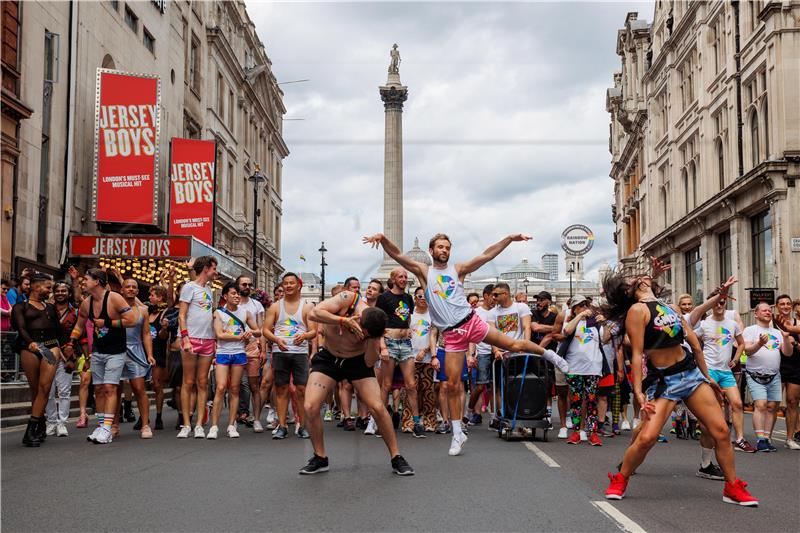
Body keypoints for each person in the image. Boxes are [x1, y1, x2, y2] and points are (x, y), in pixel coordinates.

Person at [363, 232, 569, 456]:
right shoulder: (424, 271)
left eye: (447, 247)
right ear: (431, 251)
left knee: (515, 345)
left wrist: (509, 239)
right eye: (440, 247)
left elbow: (487, 255)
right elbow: (398, 255)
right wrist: (383, 239)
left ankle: (552, 357)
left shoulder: (457, 269)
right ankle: (457, 433)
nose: (444, 250)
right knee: (452, 385)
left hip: (471, 322)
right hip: (452, 334)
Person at [602, 270, 758, 506]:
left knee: (721, 432)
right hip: (665, 381)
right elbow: (636, 354)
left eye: (643, 277)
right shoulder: (638, 310)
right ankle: (620, 478)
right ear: (630, 291)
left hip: (691, 375)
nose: (642, 279)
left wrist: (708, 378)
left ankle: (732, 487)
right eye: (636, 280)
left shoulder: (671, 308)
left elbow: (695, 345)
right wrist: (638, 392)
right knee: (647, 438)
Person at [299, 290, 414, 476]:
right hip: (329, 357)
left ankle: (396, 457)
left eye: (367, 334)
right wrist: (343, 321)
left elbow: (369, 362)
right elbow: (314, 314)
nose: (362, 333)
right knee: (310, 406)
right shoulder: (348, 300)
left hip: (356, 361)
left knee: (377, 406)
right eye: (363, 329)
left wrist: (371, 340)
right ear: (360, 317)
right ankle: (320, 457)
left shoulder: (374, 332)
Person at [69, 269, 138, 444]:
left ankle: (108, 428)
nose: (84, 282)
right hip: (97, 351)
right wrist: (71, 342)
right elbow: (79, 324)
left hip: (116, 351)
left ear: (97, 281)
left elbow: (132, 320)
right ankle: (101, 426)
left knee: (110, 387)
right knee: (98, 389)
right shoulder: (87, 304)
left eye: (87, 279)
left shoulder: (114, 298)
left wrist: (108, 322)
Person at [694, 298, 755, 454]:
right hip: (710, 371)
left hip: (726, 372)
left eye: (722, 303)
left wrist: (735, 359)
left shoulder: (732, 324)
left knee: (737, 404)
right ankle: (717, 437)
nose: (719, 305)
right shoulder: (704, 324)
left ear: (725, 305)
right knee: (716, 406)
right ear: (711, 306)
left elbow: (741, 343)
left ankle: (739, 439)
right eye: (716, 303)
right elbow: (693, 343)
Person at [262, 273, 317, 439]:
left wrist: (305, 336)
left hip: (299, 353)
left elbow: (314, 331)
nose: (288, 286)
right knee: (281, 389)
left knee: (301, 390)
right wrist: (276, 339)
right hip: (281, 352)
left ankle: (302, 425)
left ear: (298, 285)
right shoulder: (275, 307)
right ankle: (282, 426)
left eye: (291, 283)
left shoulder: (307, 307)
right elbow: (265, 330)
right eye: (285, 283)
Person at [376, 267, 426, 438]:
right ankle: (381, 423)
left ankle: (417, 422)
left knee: (411, 385)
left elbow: (408, 317)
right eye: (400, 276)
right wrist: (382, 345)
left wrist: (407, 330)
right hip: (389, 343)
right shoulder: (384, 298)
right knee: (387, 385)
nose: (404, 279)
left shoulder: (408, 298)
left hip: (405, 343)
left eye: (405, 276)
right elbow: (379, 323)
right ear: (393, 279)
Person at [13, 274, 62, 446]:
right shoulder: (20, 306)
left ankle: (30, 430)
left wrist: (67, 350)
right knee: (35, 390)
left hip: (50, 347)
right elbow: (20, 328)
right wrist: (30, 343)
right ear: (35, 287)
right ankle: (40, 424)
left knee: (45, 388)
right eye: (48, 287)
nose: (50, 291)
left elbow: (58, 331)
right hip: (29, 347)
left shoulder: (50, 308)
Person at [208, 283, 262, 439]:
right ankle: (214, 426)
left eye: (238, 294)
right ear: (225, 296)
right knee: (220, 387)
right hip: (223, 353)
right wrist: (239, 337)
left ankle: (231, 425)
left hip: (239, 353)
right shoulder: (219, 312)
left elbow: (258, 331)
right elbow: (219, 334)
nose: (237, 296)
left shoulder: (245, 313)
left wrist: (249, 332)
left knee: (235, 389)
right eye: (233, 293)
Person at [742, 301, 795, 452]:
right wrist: (759, 343)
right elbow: (747, 351)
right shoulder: (750, 330)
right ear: (756, 314)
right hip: (755, 374)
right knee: (760, 405)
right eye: (764, 310)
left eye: (769, 311)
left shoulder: (777, 332)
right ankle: (760, 439)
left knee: (772, 407)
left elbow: (788, 353)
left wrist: (785, 337)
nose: (767, 312)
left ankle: (767, 438)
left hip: (774, 375)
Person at [177, 256, 218, 439]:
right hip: (191, 338)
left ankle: (199, 424)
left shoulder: (209, 289)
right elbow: (181, 315)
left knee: (202, 383)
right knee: (188, 382)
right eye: (214, 268)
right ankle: (186, 424)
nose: (216, 272)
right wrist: (185, 338)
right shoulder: (188, 287)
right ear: (206, 269)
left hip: (208, 340)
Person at [561, 295, 605, 446]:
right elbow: (566, 331)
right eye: (580, 306)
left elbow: (605, 339)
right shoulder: (571, 321)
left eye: (586, 305)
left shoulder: (595, 323)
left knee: (592, 400)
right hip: (574, 367)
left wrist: (604, 323)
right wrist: (579, 316)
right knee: (576, 401)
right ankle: (576, 432)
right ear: (573, 309)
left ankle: (592, 433)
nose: (584, 308)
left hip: (593, 367)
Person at [119, 278, 156, 439]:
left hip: (136, 349)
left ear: (137, 291)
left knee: (139, 389)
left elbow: (146, 333)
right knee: (114, 389)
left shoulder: (143, 310)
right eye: (127, 286)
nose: (131, 289)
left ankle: (145, 424)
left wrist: (149, 354)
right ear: (122, 290)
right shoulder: (114, 308)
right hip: (117, 350)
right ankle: (113, 425)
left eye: (134, 287)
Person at [400, 287, 439, 432]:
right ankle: (408, 421)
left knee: (428, 390)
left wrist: (425, 351)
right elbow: (403, 332)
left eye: (425, 296)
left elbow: (434, 336)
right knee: (410, 389)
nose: (422, 299)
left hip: (427, 357)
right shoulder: (409, 315)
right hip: (409, 357)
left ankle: (429, 421)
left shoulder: (433, 315)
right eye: (419, 296)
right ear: (415, 298)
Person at [45, 282, 78, 437]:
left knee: (64, 392)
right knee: (48, 391)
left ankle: (62, 423)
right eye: (57, 291)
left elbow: (81, 334)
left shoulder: (75, 312)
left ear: (68, 293)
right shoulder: (46, 310)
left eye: (63, 291)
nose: (60, 293)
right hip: (48, 353)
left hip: (68, 355)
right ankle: (51, 422)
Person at [235, 276, 266, 432]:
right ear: (237, 286)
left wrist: (264, 350)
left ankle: (257, 419)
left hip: (253, 348)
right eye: (244, 284)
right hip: (234, 347)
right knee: (235, 385)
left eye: (249, 284)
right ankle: (234, 419)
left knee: (254, 385)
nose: (247, 286)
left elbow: (262, 330)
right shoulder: (231, 304)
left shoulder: (257, 305)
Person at [148, 284, 178, 430]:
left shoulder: (165, 312)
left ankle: (158, 416)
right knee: (141, 386)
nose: (149, 297)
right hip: (144, 351)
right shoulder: (147, 311)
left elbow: (164, 335)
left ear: (160, 297)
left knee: (157, 385)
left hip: (159, 352)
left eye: (152, 295)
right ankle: (143, 416)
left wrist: (164, 329)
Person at [773, 295, 800, 450]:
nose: (785, 306)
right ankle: (766, 437)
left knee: (792, 402)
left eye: (788, 304)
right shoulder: (771, 324)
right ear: (777, 306)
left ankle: (790, 438)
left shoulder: (797, 324)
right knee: (774, 403)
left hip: (795, 367)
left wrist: (794, 343)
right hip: (776, 366)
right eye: (782, 303)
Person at [467, 284, 495, 426]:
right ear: (486, 296)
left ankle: (494, 417)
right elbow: (471, 335)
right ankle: (471, 411)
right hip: (482, 353)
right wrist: (471, 354)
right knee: (479, 386)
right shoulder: (476, 312)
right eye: (493, 296)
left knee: (494, 386)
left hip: (496, 353)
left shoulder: (497, 311)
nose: (495, 299)